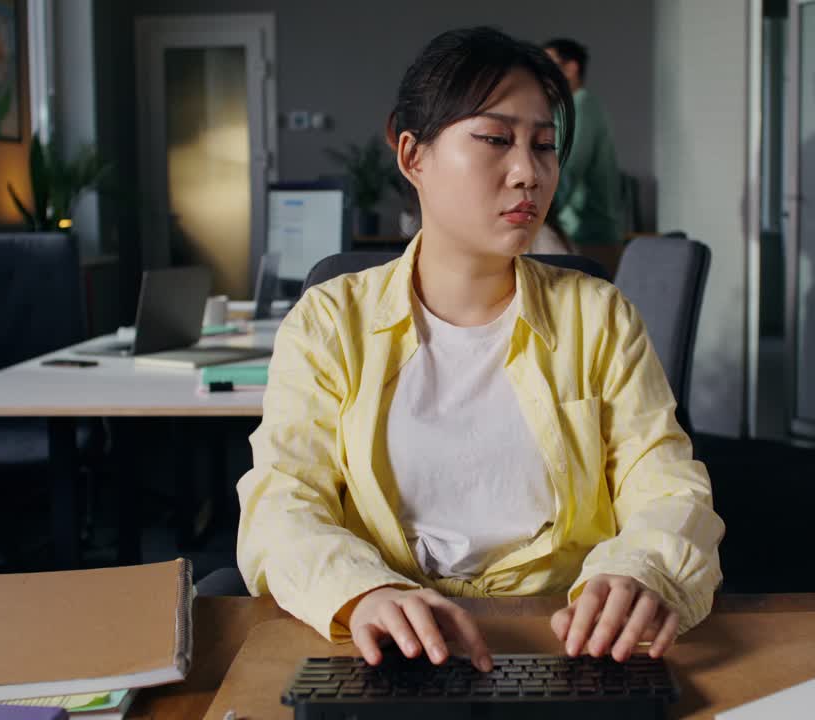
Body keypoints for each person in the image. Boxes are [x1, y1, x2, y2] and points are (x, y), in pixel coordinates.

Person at [236, 27, 723, 674]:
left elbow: (667, 486)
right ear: (413, 155)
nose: (528, 172)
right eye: (495, 140)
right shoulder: (330, 322)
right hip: (387, 645)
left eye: (545, 146)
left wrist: (640, 572)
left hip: (572, 640)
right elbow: (281, 502)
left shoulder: (598, 317)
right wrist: (363, 591)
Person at [543, 38, 624, 277]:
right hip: (577, 234)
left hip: (590, 237)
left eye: (549, 65)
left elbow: (566, 169)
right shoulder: (568, 109)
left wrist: (535, 210)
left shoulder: (581, 107)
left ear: (570, 68)